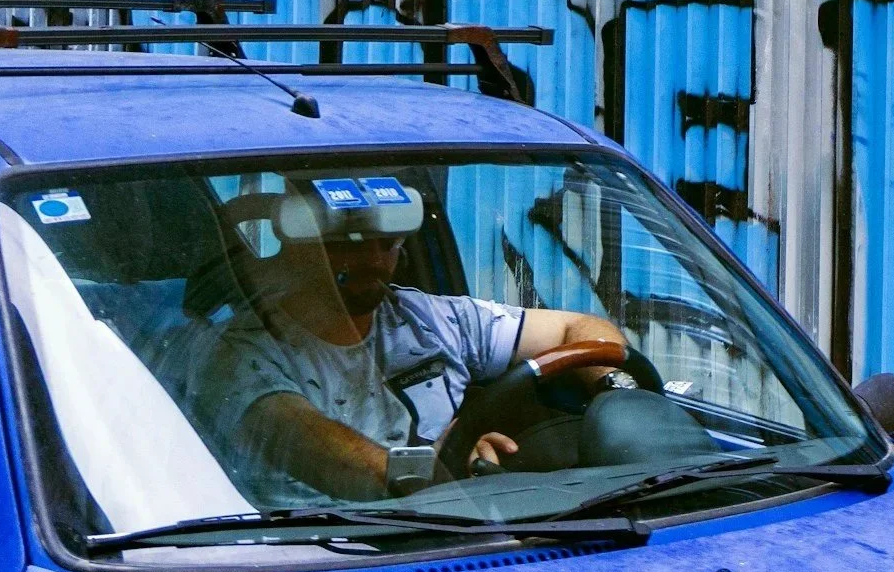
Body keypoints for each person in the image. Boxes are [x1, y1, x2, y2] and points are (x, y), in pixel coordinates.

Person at [198, 180, 623, 504]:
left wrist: (622, 397)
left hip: (451, 528)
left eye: (387, 244)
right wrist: (441, 469)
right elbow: (315, 449)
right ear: (298, 247)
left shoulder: (431, 319)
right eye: (349, 245)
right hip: (313, 555)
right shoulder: (241, 355)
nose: (373, 260)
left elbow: (581, 329)